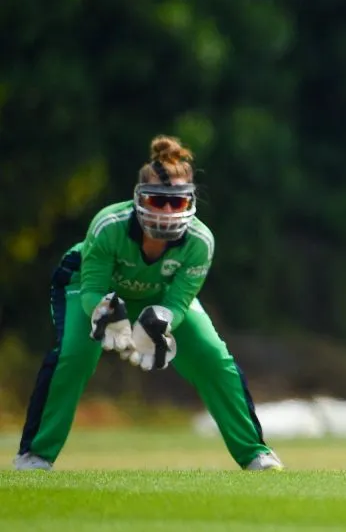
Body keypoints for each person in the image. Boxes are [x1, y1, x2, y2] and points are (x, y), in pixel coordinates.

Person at [14, 135, 284, 471]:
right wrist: (103, 313)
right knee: (75, 356)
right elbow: (92, 288)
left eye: (177, 203)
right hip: (87, 288)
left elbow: (179, 301)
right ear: (139, 199)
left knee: (214, 358)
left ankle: (255, 454)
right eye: (158, 200)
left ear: (190, 202)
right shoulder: (109, 226)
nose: (168, 211)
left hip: (161, 296)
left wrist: (161, 321)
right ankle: (34, 456)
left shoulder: (200, 243)